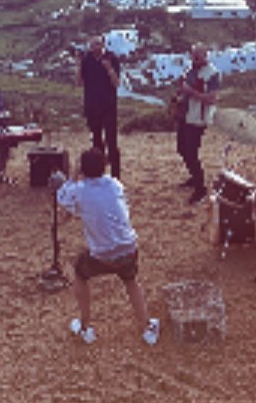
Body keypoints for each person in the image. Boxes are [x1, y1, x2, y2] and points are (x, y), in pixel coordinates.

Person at [55, 148, 159, 346]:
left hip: (103, 254)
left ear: (82, 168)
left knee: (80, 274)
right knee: (131, 281)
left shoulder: (79, 190)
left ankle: (85, 327)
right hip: (129, 247)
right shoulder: (115, 184)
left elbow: (62, 198)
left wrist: (72, 177)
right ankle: (147, 327)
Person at [176, 44, 220, 204]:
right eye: (193, 55)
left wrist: (191, 92)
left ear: (205, 55)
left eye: (198, 55)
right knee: (181, 149)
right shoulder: (190, 69)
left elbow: (212, 98)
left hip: (197, 118)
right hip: (185, 115)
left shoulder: (212, 73)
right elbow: (184, 87)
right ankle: (195, 178)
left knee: (191, 153)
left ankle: (200, 189)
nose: (195, 58)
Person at [77, 35, 122, 179]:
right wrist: (78, 65)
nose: (94, 47)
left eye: (97, 44)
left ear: (103, 44)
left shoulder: (112, 58)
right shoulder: (86, 60)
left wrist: (109, 69)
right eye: (92, 44)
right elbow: (78, 82)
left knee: (111, 141)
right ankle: (98, 173)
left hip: (108, 106)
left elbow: (116, 83)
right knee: (96, 141)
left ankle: (116, 176)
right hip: (92, 106)